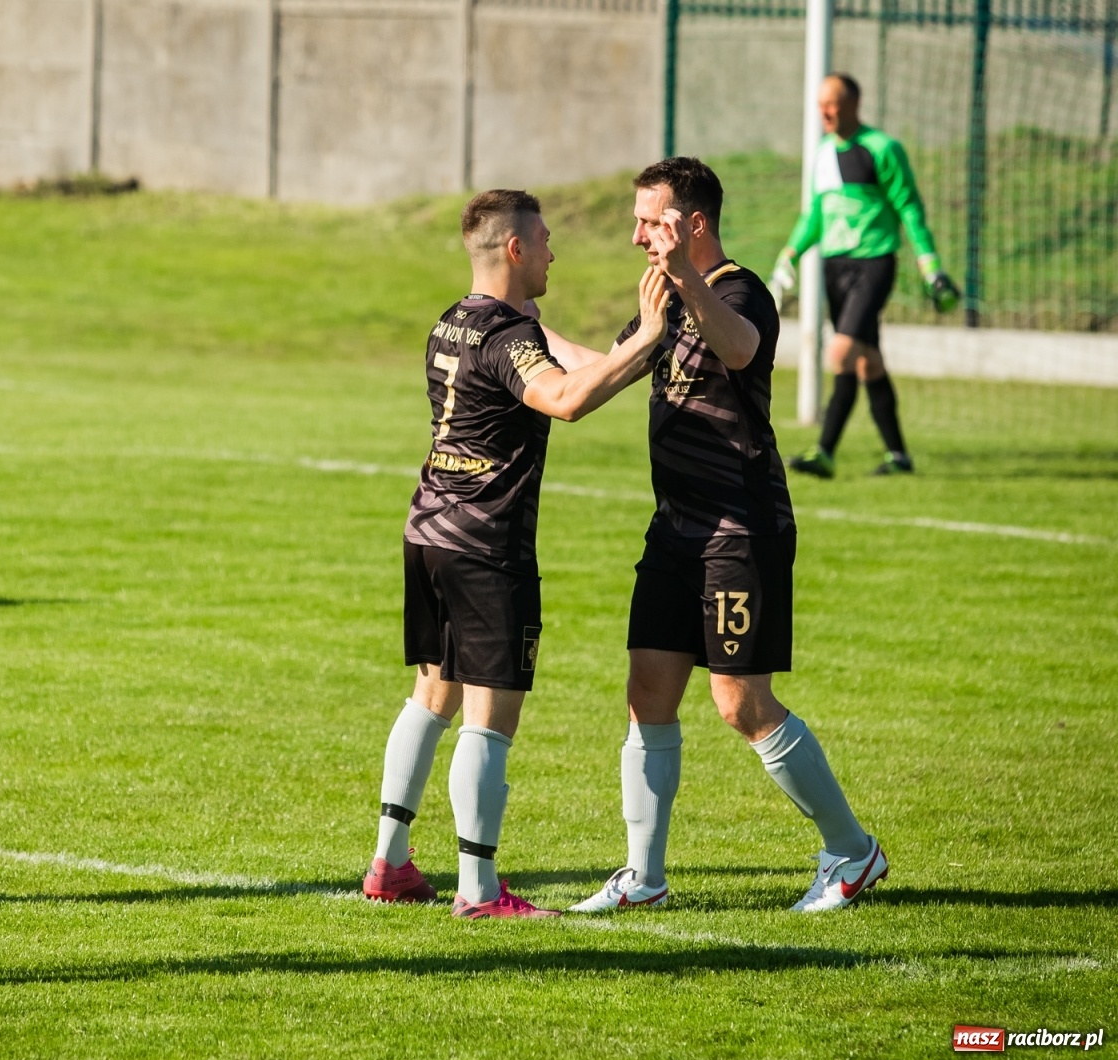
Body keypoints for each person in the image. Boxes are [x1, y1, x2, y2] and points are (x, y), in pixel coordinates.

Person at [569, 158, 886, 915]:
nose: (637, 234)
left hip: (738, 530)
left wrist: (686, 281)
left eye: (650, 220)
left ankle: (851, 853)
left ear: (693, 224)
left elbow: (739, 347)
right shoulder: (661, 295)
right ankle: (643, 878)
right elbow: (608, 367)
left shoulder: (740, 291)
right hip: (675, 528)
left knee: (741, 703)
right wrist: (513, 323)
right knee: (647, 693)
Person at [363, 189, 669, 919]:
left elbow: (572, 361)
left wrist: (648, 345)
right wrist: (649, 334)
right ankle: (478, 890)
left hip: (429, 532)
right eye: (546, 240)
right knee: (489, 718)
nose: (554, 252)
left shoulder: (456, 322)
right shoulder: (508, 341)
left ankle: (390, 863)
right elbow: (563, 397)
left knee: (431, 696)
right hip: (485, 548)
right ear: (515, 249)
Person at [772, 73, 959, 478]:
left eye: (833, 103)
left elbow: (909, 208)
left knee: (840, 352)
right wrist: (789, 253)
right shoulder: (822, 153)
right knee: (867, 363)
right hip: (834, 268)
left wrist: (930, 265)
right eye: (821, 103)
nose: (825, 111)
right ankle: (899, 457)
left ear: (854, 104)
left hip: (874, 264)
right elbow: (815, 214)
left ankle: (824, 452)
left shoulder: (883, 149)